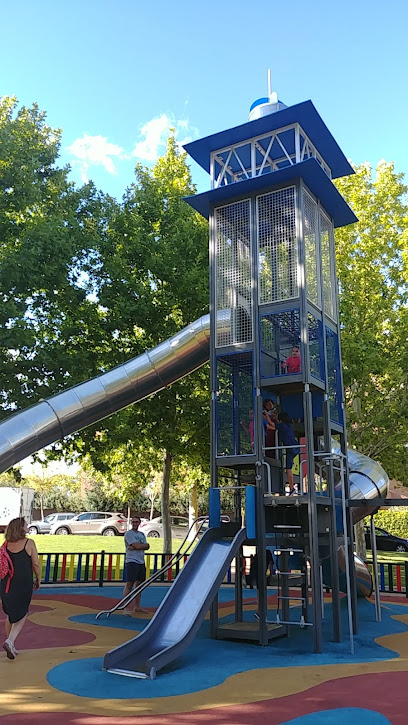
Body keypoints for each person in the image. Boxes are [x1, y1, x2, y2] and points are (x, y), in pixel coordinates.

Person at [1, 517, 41, 659]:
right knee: (22, 613)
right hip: (22, 583)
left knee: (11, 614)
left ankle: (11, 643)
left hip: (6, 584)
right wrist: (38, 579)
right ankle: (10, 641)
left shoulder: (5, 545)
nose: (28, 526)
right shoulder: (29, 543)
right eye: (25, 524)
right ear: (20, 528)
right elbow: (35, 563)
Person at [123, 516, 150, 615]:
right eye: (133, 522)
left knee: (139, 585)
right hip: (131, 561)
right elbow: (139, 546)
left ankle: (137, 607)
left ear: (139, 523)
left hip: (141, 562)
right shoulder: (129, 534)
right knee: (129, 584)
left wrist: (137, 546)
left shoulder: (141, 534)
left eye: (136, 522)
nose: (135, 523)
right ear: (131, 523)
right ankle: (125, 607)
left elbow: (147, 546)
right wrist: (139, 546)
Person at [274, 412, 300, 494]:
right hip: (295, 446)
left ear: (280, 420)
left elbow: (271, 425)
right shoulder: (288, 426)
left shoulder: (282, 426)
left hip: (290, 448)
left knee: (288, 469)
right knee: (289, 469)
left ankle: (292, 487)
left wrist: (267, 416)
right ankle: (291, 487)